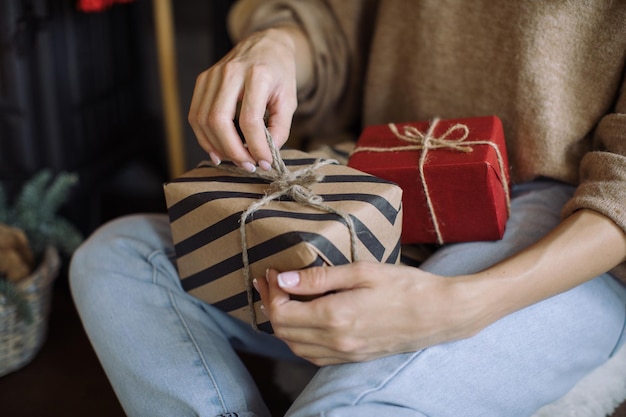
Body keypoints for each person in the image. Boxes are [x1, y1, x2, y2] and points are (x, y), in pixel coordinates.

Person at [70, 1, 626, 416]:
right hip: (377, 169)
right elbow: (332, 26)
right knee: (117, 257)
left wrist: (464, 305)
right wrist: (279, 45)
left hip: (568, 223)